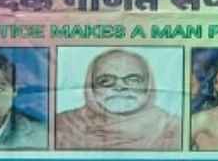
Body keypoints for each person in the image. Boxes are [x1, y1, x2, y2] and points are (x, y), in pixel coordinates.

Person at [54, 49, 183, 151]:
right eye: (106, 81)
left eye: (133, 80)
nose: (120, 87)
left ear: (149, 85)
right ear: (91, 87)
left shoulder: (172, 128)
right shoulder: (63, 125)